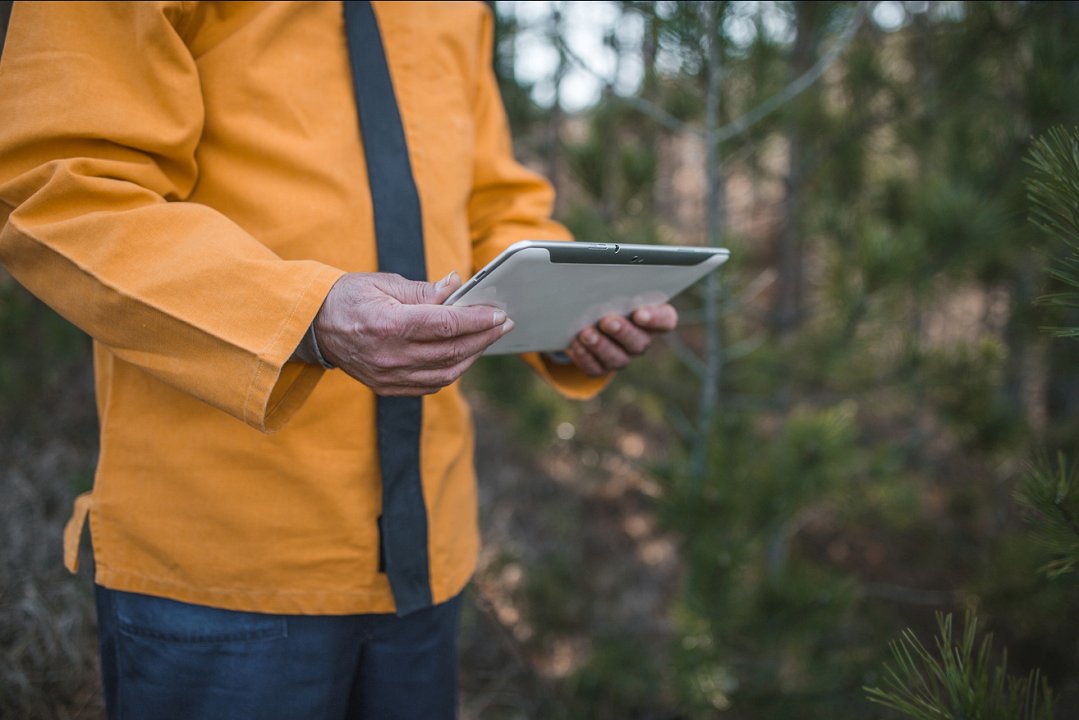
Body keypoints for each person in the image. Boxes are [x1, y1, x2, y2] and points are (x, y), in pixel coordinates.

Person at [0, 2, 678, 718]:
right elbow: (61, 188)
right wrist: (307, 318)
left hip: (428, 553)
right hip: (222, 570)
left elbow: (493, 203)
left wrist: (572, 309)